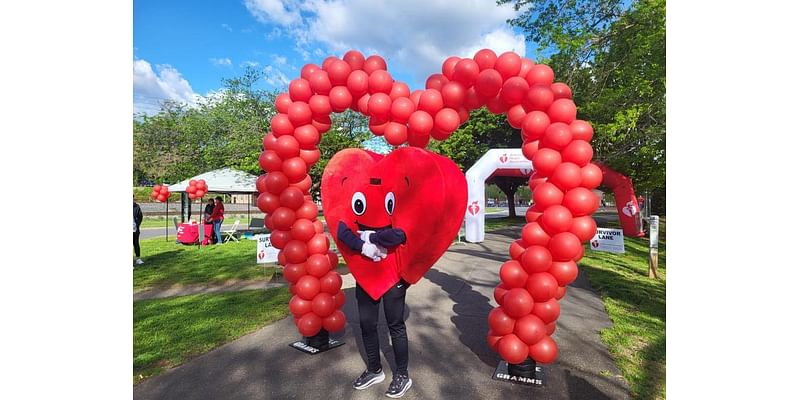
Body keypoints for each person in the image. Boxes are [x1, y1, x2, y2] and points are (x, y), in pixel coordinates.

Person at [337, 222, 412, 398]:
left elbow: (400, 234)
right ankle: (374, 369)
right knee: (366, 323)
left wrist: (370, 236)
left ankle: (402, 374)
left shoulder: (394, 196)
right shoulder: (357, 197)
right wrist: (362, 246)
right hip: (366, 272)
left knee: (395, 325)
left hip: (393, 273)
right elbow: (342, 230)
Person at [133, 196, 144, 266]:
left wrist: (137, 225)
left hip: (135, 229)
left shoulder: (136, 206)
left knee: (136, 244)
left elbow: (140, 216)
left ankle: (138, 259)